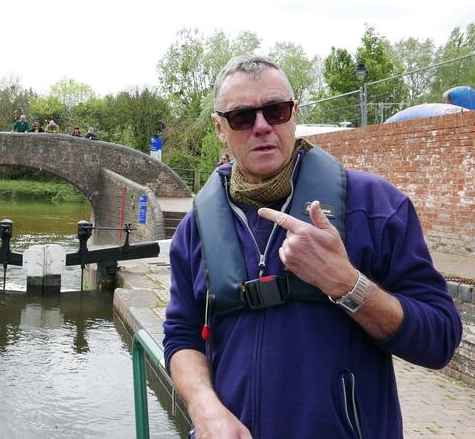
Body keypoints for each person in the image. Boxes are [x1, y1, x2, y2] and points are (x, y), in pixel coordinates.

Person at [163, 54, 461, 438]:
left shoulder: (375, 208)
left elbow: (439, 340)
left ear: (294, 113)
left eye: (276, 111)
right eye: (241, 117)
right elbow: (182, 334)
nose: (262, 127)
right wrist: (203, 407)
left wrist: (347, 284)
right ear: (219, 127)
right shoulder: (196, 229)